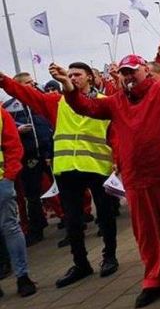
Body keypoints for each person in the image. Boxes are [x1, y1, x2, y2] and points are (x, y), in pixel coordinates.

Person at [54, 50, 160, 307]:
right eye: (124, 73)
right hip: (136, 178)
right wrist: (68, 87)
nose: (128, 77)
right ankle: (154, 280)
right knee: (145, 234)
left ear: (145, 69)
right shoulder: (116, 102)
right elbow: (86, 107)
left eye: (132, 71)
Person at [0, 63, 119, 287]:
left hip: (98, 167)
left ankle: (109, 257)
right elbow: (28, 94)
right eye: (70, 74)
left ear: (90, 77)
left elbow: (115, 133)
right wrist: (4, 80)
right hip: (67, 169)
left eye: (77, 74)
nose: (73, 78)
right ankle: (81, 264)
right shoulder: (56, 101)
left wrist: (117, 160)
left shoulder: (105, 102)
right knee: (72, 220)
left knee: (105, 215)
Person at [2, 73, 54, 246]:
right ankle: (37, 228)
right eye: (28, 83)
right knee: (32, 194)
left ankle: (70, 221)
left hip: (48, 152)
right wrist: (18, 130)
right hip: (29, 156)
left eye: (33, 82)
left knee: (60, 189)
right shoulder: (9, 107)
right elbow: (7, 130)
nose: (33, 85)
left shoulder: (41, 100)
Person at [0, 105, 37, 297]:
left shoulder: (0, 113)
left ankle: (22, 277)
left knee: (10, 227)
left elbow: (13, 145)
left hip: (1, 182)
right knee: (11, 228)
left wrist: (9, 176)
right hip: (3, 181)